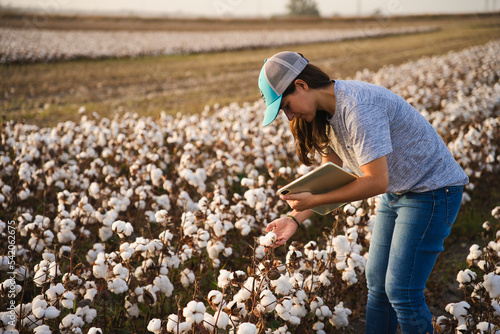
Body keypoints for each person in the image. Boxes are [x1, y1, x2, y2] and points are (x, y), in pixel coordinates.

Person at [258, 51, 469, 334]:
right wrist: (294, 218)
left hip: (432, 191)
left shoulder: (359, 107)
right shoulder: (325, 113)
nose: (289, 115)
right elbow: (329, 175)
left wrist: (315, 200)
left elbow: (376, 182)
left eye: (285, 105)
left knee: (402, 292)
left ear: (301, 85)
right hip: (398, 193)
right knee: (377, 286)